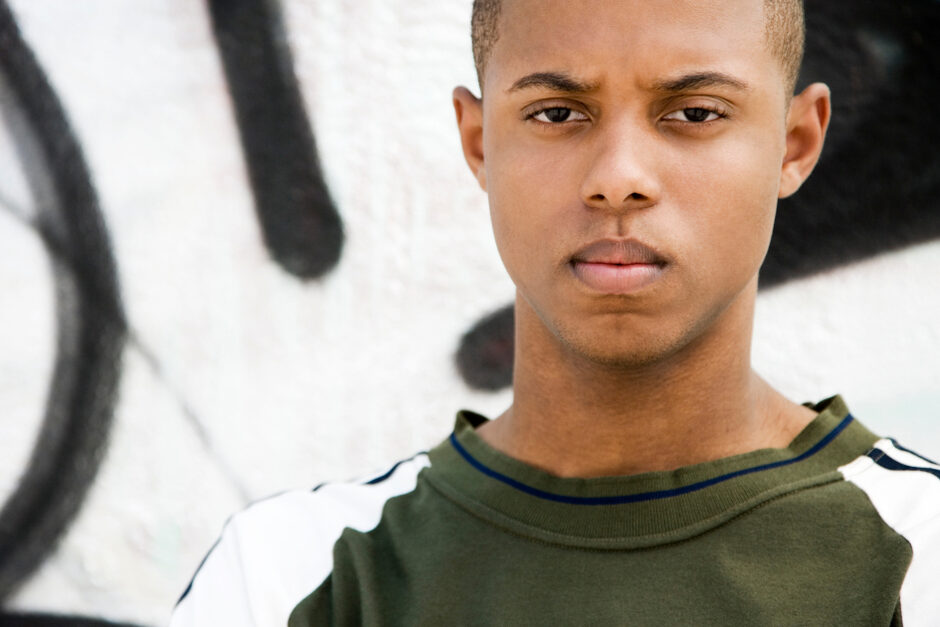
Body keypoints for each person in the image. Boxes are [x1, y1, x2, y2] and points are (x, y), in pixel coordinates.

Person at [170, 0, 940, 624]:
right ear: (479, 143)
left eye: (695, 112)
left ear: (794, 143)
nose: (619, 177)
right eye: (558, 113)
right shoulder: (287, 577)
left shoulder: (921, 552)